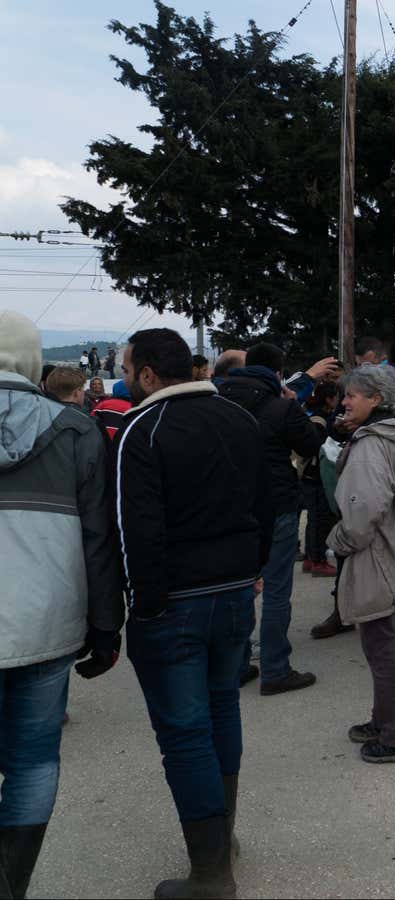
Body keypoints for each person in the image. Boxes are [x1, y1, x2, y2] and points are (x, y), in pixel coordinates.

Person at [114, 327, 274, 898]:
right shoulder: (239, 418)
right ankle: (220, 838)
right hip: (234, 590)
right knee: (221, 709)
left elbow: (136, 530)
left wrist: (143, 605)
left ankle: (210, 873)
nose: (126, 377)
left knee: (184, 734)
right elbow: (267, 502)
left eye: (128, 369)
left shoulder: (142, 429)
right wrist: (253, 568)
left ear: (149, 374)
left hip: (176, 601)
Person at [0, 311, 122, 900]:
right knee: (31, 760)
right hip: (48, 619)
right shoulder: (75, 429)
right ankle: (13, 882)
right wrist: (107, 625)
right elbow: (99, 536)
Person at [327, 364, 395, 764]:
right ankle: (385, 720)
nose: (344, 401)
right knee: (387, 642)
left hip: (378, 555)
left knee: (383, 647)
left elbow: (362, 514)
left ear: (376, 398)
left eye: (352, 395)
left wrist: (337, 540)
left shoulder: (373, 443)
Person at [217, 343, 328, 695]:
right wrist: (312, 416)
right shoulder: (281, 406)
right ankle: (276, 669)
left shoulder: (218, 400)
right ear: (279, 373)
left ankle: (235, 666)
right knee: (277, 590)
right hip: (277, 503)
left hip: (229, 506)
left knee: (237, 586)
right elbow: (311, 443)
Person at [299, 382, 338, 578]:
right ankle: (318, 560)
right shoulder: (320, 421)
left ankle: (309, 557)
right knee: (321, 518)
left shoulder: (313, 416)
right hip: (317, 475)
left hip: (309, 475)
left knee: (314, 519)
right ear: (329, 399)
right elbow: (321, 449)